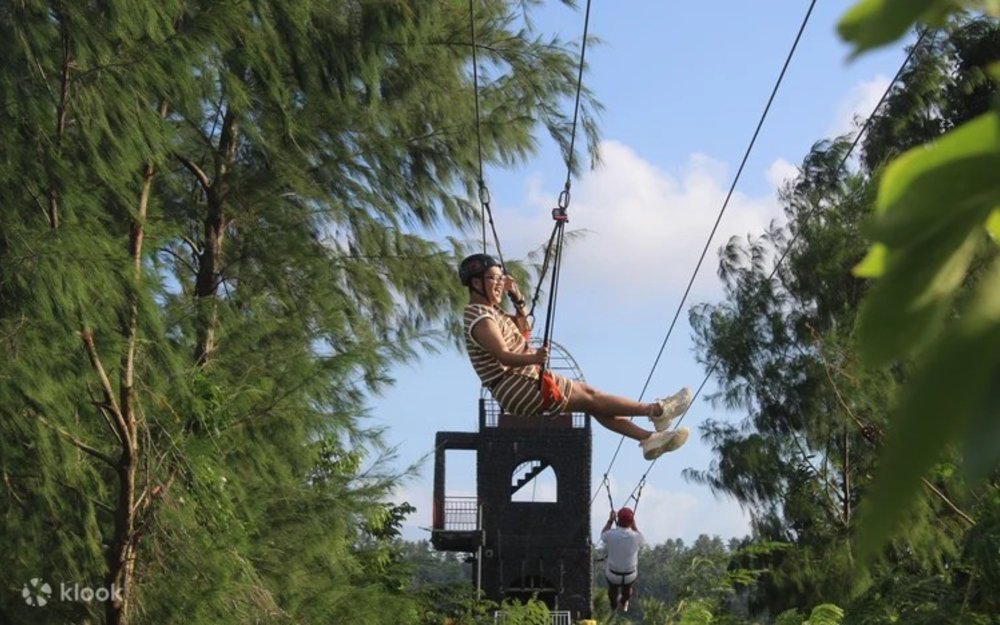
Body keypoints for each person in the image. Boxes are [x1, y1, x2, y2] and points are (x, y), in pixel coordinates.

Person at [459, 253, 691, 460]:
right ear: (476, 283)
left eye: (502, 279)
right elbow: (503, 355)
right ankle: (657, 411)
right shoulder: (480, 317)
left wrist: (517, 296)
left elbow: (524, 327)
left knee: (592, 404)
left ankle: (649, 437)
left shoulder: (492, 312)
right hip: (518, 384)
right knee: (591, 395)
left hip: (520, 384)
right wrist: (533, 358)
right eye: (494, 279)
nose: (500, 284)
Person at [601, 507, 644, 612]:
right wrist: (633, 524)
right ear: (631, 521)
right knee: (628, 587)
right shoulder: (637, 537)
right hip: (630, 575)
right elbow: (641, 540)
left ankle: (613, 604)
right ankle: (624, 601)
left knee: (613, 587)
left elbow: (603, 535)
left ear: (618, 520)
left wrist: (610, 520)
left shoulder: (610, 534)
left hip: (613, 574)